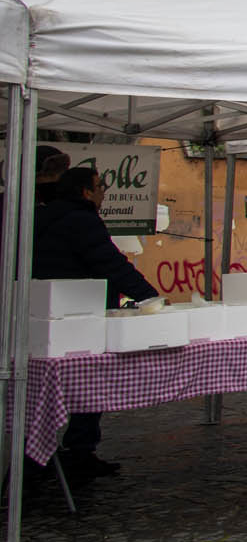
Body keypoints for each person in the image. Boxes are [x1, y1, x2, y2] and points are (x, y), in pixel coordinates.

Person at [32, 165, 159, 480]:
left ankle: (38, 450)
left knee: (41, 386)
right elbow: (112, 263)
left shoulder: (38, 217)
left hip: (41, 315)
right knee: (89, 384)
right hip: (82, 315)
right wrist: (151, 298)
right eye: (100, 187)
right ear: (86, 192)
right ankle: (79, 450)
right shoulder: (83, 221)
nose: (104, 192)